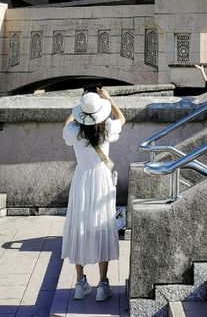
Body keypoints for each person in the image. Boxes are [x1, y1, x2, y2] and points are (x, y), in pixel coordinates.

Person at [62, 87, 125, 302]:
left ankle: (80, 283)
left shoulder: (74, 131)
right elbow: (122, 119)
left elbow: (65, 125)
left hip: (82, 178)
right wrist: (109, 99)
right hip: (101, 179)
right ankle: (102, 284)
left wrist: (78, 107)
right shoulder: (106, 127)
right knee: (101, 226)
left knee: (79, 225)